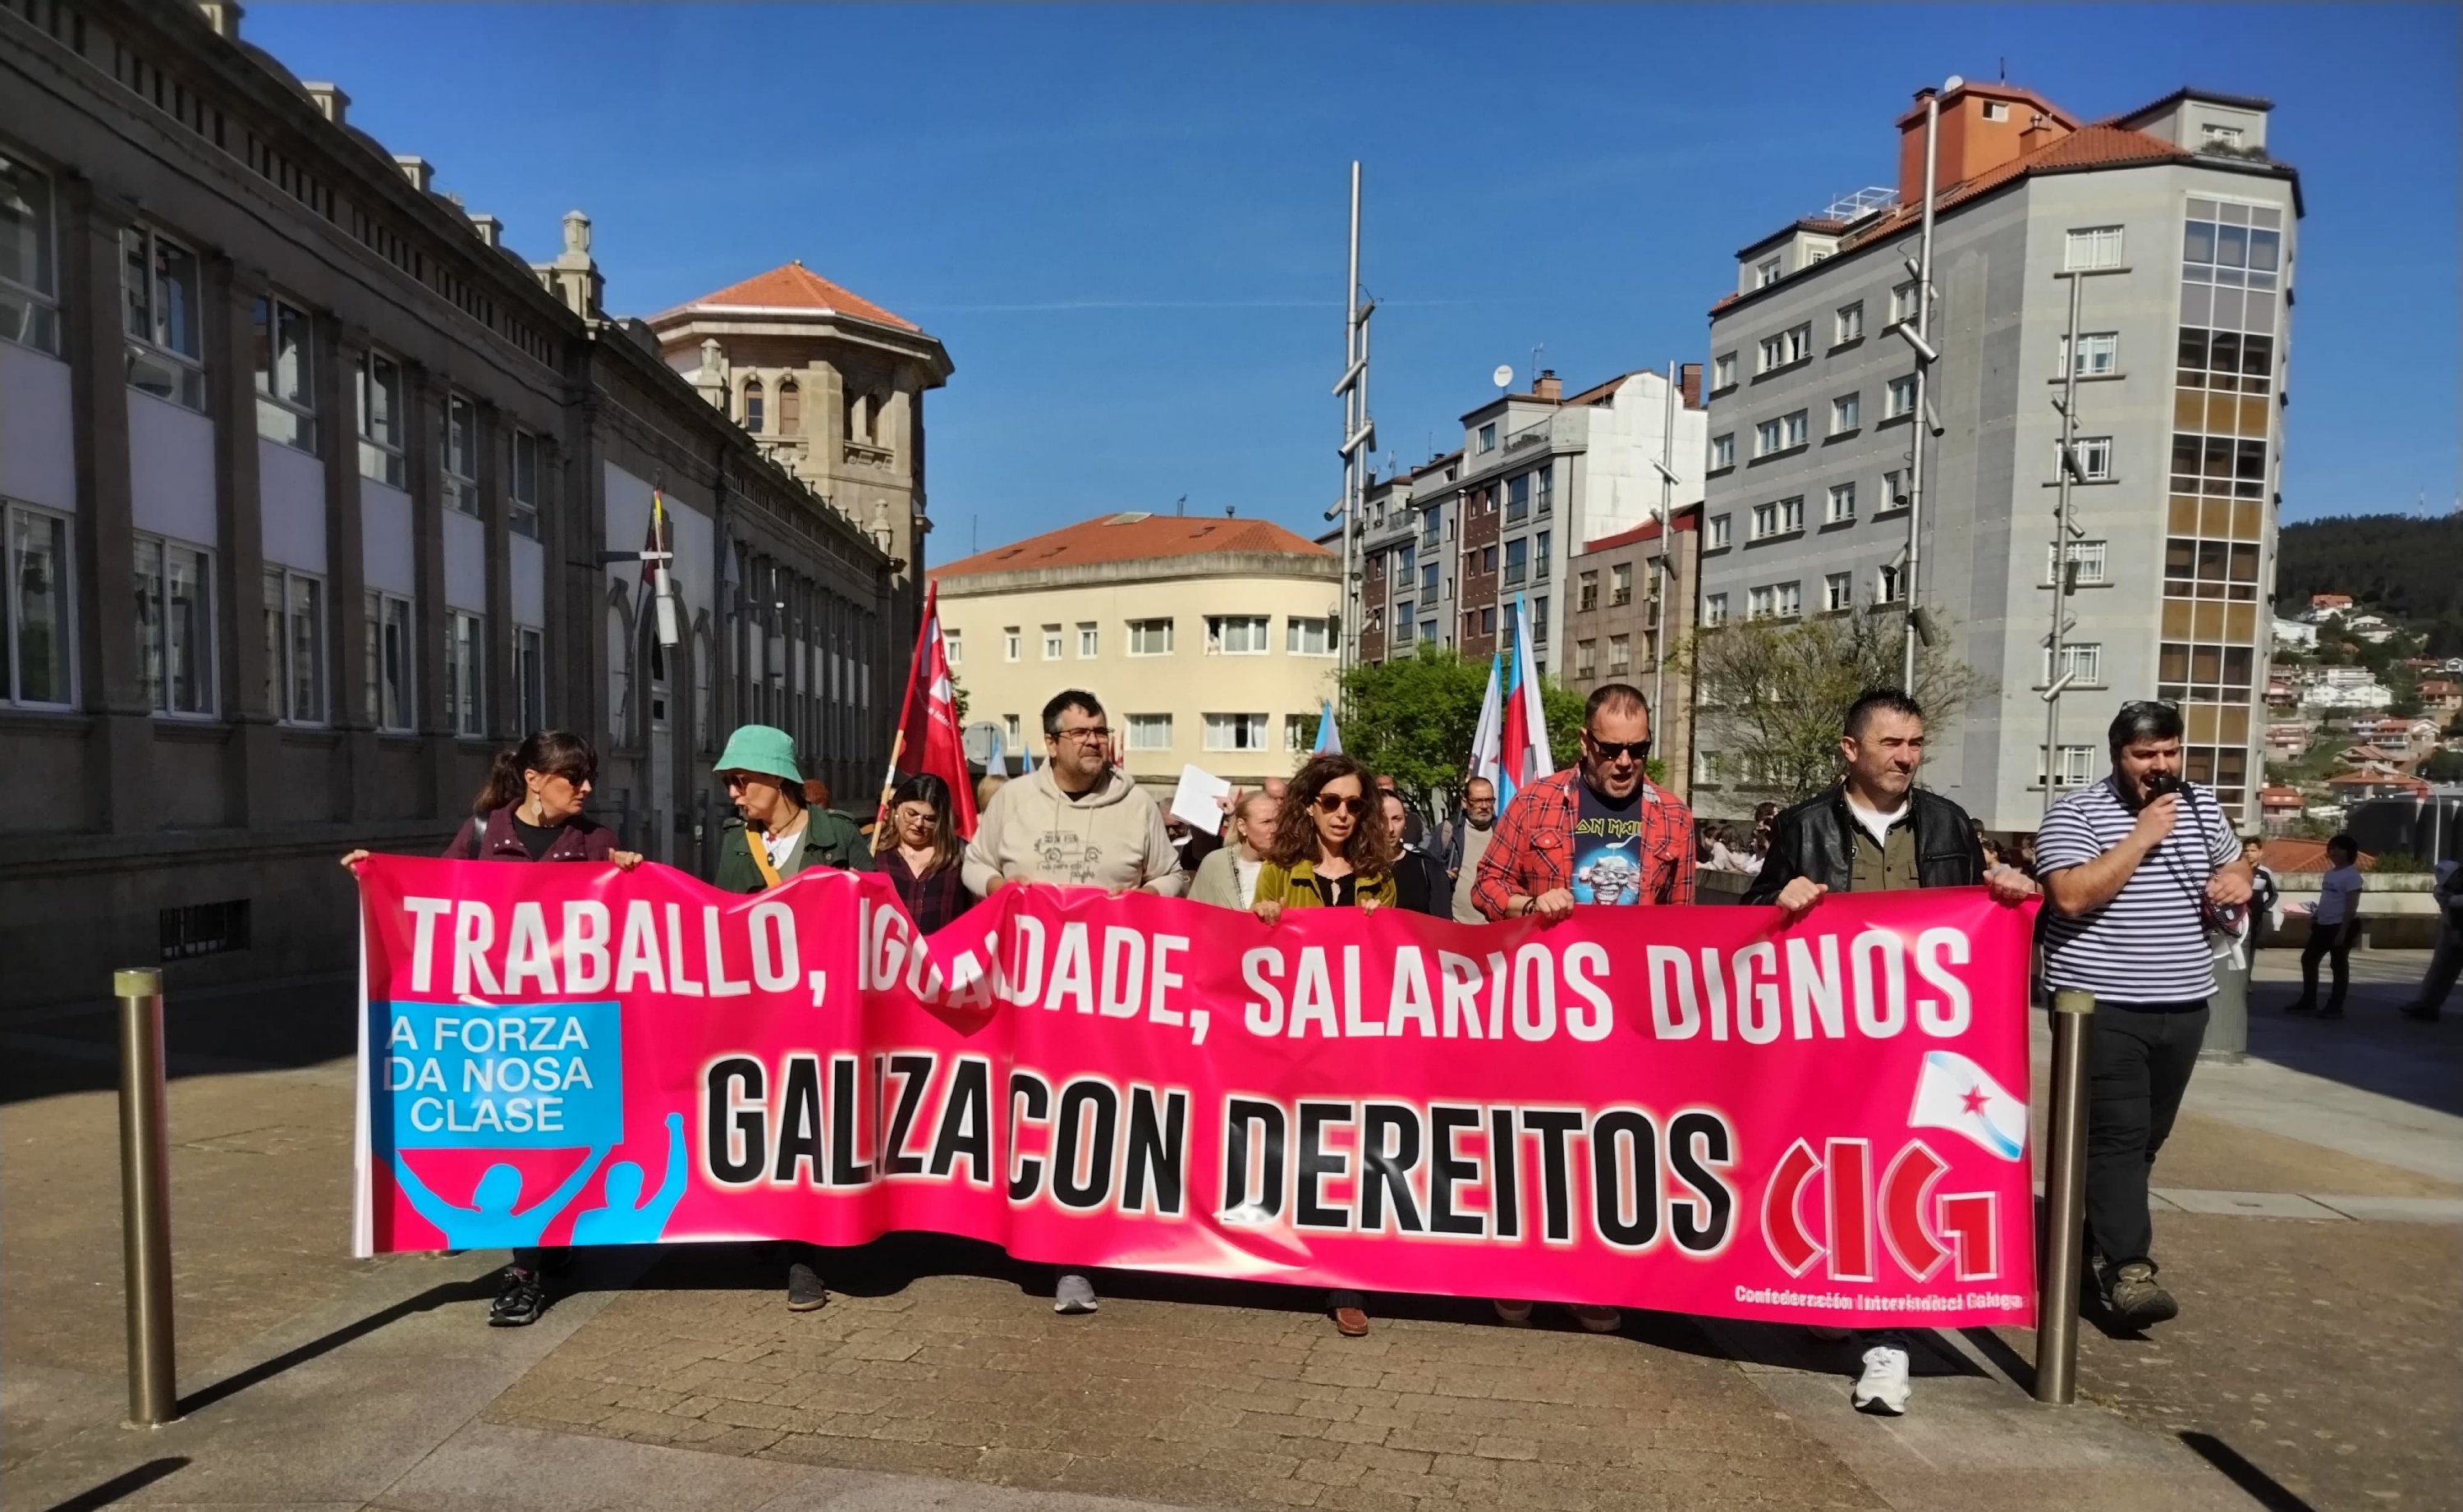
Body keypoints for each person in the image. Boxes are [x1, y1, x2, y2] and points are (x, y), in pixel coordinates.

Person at [1746, 690, 2041, 1416]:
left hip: (1922, 1045)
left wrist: (2005, 891)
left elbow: (1971, 918)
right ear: (1851, 750)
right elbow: (1749, 917)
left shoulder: (1947, 823)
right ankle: (1833, 1293)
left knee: (1903, 1174)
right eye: (1891, 743)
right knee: (1838, 1169)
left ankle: (1889, 1340)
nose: (1907, 758)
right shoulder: (1804, 826)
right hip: (1832, 1040)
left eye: (1915, 743)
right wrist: (1780, 899)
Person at [341, 729, 644, 1328]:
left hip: (570, 1027)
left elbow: (629, 926)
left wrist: (632, 875)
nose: (587, 788)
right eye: (574, 776)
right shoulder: (483, 834)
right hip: (496, 1028)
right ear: (533, 779)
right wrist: (375, 877)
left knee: (561, 1139)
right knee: (517, 1140)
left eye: (589, 777)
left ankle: (546, 1248)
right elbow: (431, 899)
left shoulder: (597, 842)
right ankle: (528, 1267)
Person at [1474, 682, 1692, 1334]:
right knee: (1532, 1142)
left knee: (1608, 1151)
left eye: (1638, 750)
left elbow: (1683, 924)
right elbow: (1487, 886)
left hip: (1625, 1018)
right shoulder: (1536, 802)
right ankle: (1519, 1269)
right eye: (1611, 749)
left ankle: (1591, 1280)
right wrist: (1529, 904)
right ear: (1585, 742)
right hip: (1541, 1010)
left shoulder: (1673, 818)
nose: (1625, 763)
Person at [963, 690, 1185, 1316]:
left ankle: (1078, 1254)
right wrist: (1001, 885)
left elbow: (1171, 875)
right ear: (1051, 742)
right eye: (1081, 732)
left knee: (1092, 1115)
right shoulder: (1013, 801)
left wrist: (1143, 900)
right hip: (1028, 990)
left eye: (1100, 731)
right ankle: (1021, 1232)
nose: (1094, 741)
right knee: (1032, 1113)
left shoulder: (1136, 804)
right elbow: (974, 865)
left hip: (1108, 992)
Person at [2037, 700, 2252, 1329]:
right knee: (2118, 1137)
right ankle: (2131, 1271)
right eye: (2145, 755)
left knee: (2142, 1142)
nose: (2160, 765)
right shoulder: (2076, 813)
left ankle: (2074, 1253)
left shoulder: (2202, 805)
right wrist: (2141, 838)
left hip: (2183, 1002)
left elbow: (2235, 859)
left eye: (2170, 752)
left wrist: (2239, 876)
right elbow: (2069, 896)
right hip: (2100, 1005)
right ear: (2118, 756)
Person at [1251, 754, 1398, 1338]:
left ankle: (1346, 1281)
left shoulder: (1378, 877)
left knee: (1350, 1155)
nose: (1343, 814)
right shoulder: (1279, 871)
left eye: (1354, 804)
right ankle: (1285, 1260)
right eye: (1331, 802)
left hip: (1357, 1041)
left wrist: (1382, 927)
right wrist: (1262, 917)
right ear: (1310, 806)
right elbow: (1254, 956)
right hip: (1294, 1038)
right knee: (1295, 1153)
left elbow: (1394, 965)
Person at [713, 726, 872, 891]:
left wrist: (859, 891)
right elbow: (721, 904)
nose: (732, 793)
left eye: (739, 781)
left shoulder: (839, 832)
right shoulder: (735, 838)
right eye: (727, 782)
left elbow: (876, 900)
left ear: (777, 776)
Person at [875, 772, 977, 935]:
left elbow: (979, 913)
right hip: (889, 948)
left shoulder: (961, 854)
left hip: (943, 949)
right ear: (896, 807)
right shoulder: (874, 852)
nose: (919, 823)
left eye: (929, 818)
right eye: (912, 814)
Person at [2288, 833, 2364, 1019]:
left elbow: (2351, 905)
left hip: (2340, 925)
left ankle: (2335, 1006)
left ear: (2349, 852)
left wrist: (2343, 931)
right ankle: (2308, 1000)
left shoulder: (2352, 876)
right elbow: (2327, 899)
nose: (2334, 852)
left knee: (2338, 965)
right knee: (2309, 959)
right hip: (2323, 924)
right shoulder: (2330, 874)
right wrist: (2316, 916)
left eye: (2339, 848)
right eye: (2332, 848)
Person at [1189, 790, 1277, 909]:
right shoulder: (1215, 863)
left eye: (1278, 821)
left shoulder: (1288, 866)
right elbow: (1193, 912)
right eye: (1266, 822)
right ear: (1242, 826)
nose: (1274, 829)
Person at [2396, 857, 2461, 1022]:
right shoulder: (2443, 892)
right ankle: (2427, 1004)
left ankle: (2427, 1004)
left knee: (2442, 969)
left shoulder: (2448, 894)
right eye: (2454, 877)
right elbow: (2449, 904)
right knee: (2440, 969)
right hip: (2452, 930)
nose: (2457, 879)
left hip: (2454, 930)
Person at [1383, 790, 1449, 916]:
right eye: (1382, 820)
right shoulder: (1355, 865)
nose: (1390, 828)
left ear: (1405, 821)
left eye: (1397, 819)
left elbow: (1442, 920)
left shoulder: (1426, 864)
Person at [1445, 777, 1499, 926]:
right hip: (1455, 925)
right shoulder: (1447, 832)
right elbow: (1429, 876)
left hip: (1494, 926)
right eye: (1477, 801)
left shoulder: (1503, 833)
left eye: (1489, 800)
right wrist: (1443, 877)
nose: (1484, 806)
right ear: (1465, 802)